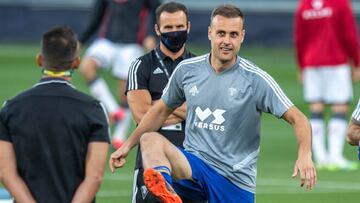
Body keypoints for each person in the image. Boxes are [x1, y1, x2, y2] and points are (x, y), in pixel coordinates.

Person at [110, 5, 316, 203]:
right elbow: (160, 110)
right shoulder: (187, 70)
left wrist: (305, 155)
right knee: (150, 139)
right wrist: (127, 145)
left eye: (233, 35)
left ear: (242, 36)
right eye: (221, 33)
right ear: (210, 33)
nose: (226, 41)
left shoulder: (255, 79)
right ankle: (166, 191)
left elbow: (298, 118)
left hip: (234, 180)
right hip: (194, 168)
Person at [0, 26, 109, 203]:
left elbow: (6, 173)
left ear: (40, 59)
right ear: (77, 62)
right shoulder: (94, 109)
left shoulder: (11, 108)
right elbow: (94, 178)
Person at [125, 2, 204, 202]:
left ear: (188, 26)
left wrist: (159, 106)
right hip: (151, 165)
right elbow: (142, 116)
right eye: (168, 28)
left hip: (193, 161)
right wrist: (186, 108)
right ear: (157, 29)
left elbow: (205, 112)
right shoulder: (141, 66)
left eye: (179, 26)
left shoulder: (203, 68)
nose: (174, 32)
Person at [79, 0, 161, 149]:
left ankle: (119, 136)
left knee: (125, 92)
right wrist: (81, 40)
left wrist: (151, 35)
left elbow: (158, 10)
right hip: (107, 41)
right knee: (86, 67)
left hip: (132, 44)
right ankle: (113, 110)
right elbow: (96, 16)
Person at [294, 0, 360, 170]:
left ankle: (321, 157)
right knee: (340, 107)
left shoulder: (305, 5)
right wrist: (357, 62)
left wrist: (301, 65)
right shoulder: (340, 3)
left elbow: (299, 38)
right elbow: (349, 34)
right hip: (336, 60)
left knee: (316, 107)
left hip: (311, 62)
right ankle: (335, 156)